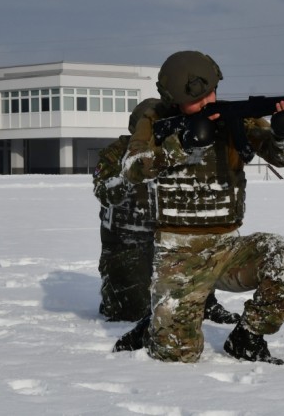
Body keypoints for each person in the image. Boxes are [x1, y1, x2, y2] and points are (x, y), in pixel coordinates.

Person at [116, 50, 284, 364]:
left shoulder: (234, 116)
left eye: (211, 93)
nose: (208, 102)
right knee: (178, 356)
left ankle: (247, 337)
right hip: (179, 254)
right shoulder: (154, 118)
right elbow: (132, 168)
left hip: (228, 248)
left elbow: (281, 158)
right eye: (198, 99)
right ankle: (155, 326)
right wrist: (181, 144)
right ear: (174, 99)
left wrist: (283, 134)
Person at [93, 99, 239, 324]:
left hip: (170, 238)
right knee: (134, 313)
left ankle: (205, 302)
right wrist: (135, 172)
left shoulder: (177, 149)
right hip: (128, 244)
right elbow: (105, 193)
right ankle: (116, 296)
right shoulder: (116, 152)